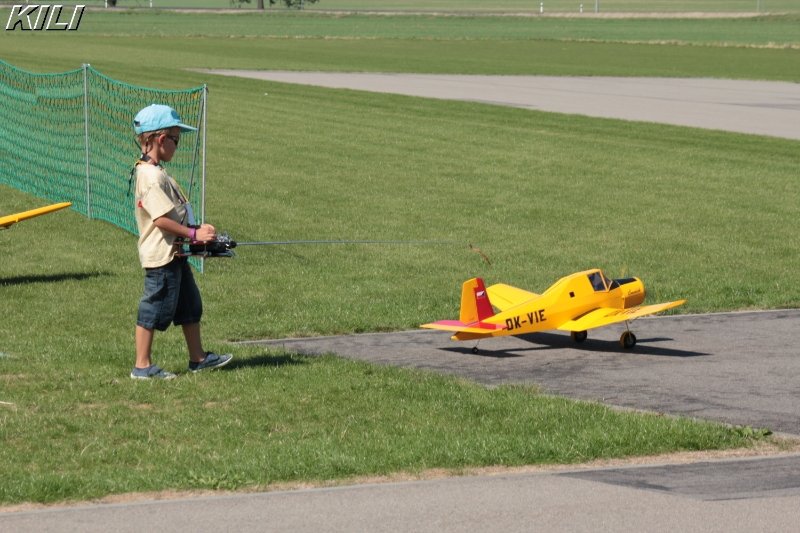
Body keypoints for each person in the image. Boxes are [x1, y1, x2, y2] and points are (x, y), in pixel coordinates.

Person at [130, 104, 232, 379]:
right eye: (176, 139)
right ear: (161, 139)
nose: (177, 145)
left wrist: (196, 230)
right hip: (161, 256)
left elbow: (173, 213)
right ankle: (142, 366)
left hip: (175, 253)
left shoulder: (157, 171)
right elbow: (161, 220)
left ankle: (198, 358)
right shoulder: (150, 176)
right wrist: (193, 235)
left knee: (189, 304)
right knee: (153, 307)